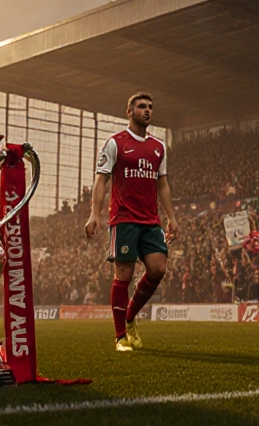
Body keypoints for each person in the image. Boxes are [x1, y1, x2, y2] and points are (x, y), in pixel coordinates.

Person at [84, 92, 180, 351]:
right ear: (129, 111)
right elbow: (101, 179)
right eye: (141, 106)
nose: (147, 110)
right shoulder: (115, 143)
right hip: (124, 219)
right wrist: (95, 213)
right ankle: (120, 337)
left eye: (150, 106)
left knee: (158, 269)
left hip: (151, 221)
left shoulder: (158, 148)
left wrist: (171, 218)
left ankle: (129, 316)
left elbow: (163, 185)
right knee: (123, 275)